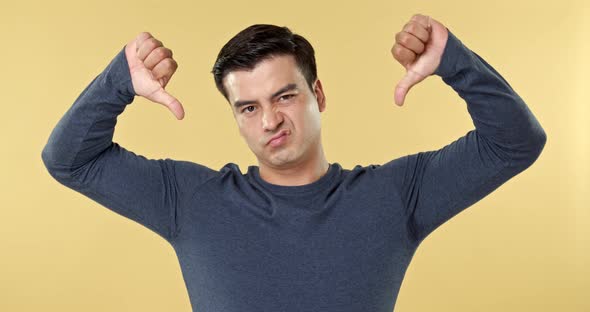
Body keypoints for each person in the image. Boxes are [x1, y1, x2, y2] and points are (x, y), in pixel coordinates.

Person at [41, 14, 546, 312]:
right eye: (249, 107)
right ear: (236, 117)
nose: (270, 121)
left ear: (317, 94)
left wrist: (455, 61)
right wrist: (118, 82)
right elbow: (69, 160)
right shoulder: (190, 200)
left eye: (284, 96)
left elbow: (515, 143)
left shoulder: (394, 196)